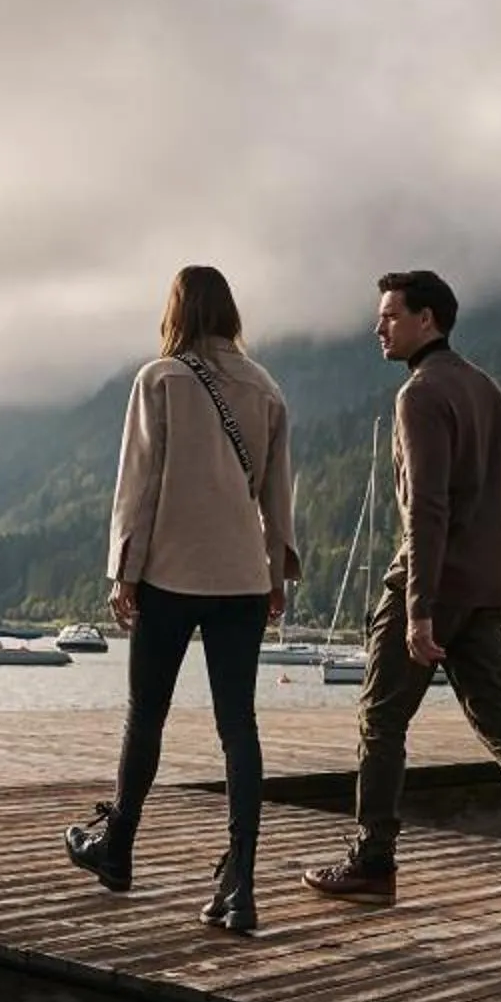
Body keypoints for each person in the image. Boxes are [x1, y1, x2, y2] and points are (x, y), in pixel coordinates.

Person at [301, 269, 501, 929]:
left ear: (427, 320)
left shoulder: (420, 394)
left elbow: (428, 509)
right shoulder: (487, 391)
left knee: (381, 722)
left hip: (434, 583)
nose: (377, 327)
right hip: (489, 584)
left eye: (390, 316)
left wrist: (416, 607)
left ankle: (373, 863)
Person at [63, 265, 297, 935]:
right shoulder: (268, 387)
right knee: (238, 727)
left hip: (170, 573)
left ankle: (119, 850)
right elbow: (279, 492)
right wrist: (278, 574)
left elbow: (138, 484)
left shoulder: (160, 379)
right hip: (243, 580)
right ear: (229, 313)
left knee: (147, 714)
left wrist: (123, 570)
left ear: (177, 311)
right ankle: (241, 881)